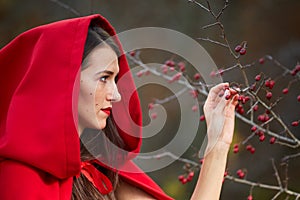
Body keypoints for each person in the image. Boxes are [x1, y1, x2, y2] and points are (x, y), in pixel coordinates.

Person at [0, 14, 239, 200]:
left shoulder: (101, 172)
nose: (115, 95)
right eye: (104, 78)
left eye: (115, 79)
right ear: (65, 79)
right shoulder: (15, 178)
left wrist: (218, 144)